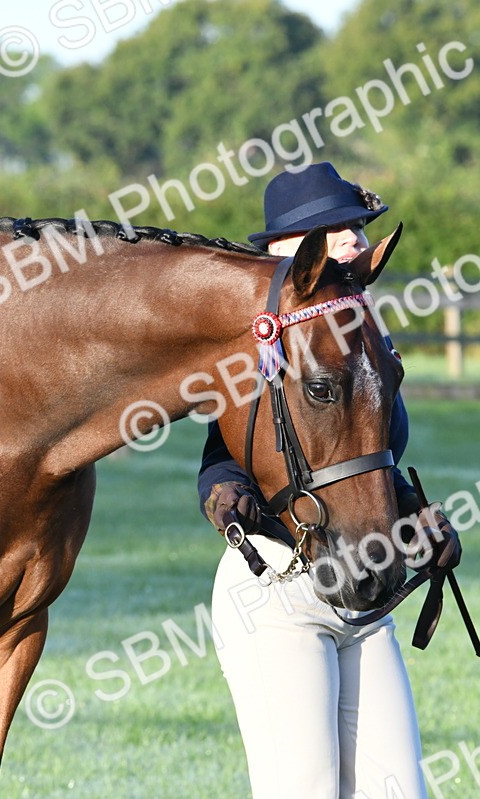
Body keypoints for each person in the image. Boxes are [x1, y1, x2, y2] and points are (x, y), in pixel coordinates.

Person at [197, 162, 460, 799]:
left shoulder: (362, 339)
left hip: (364, 591)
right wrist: (223, 494)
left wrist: (413, 516)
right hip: (279, 591)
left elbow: (367, 462)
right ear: (293, 252)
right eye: (333, 229)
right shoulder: (264, 340)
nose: (353, 238)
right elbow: (226, 457)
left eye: (355, 227)